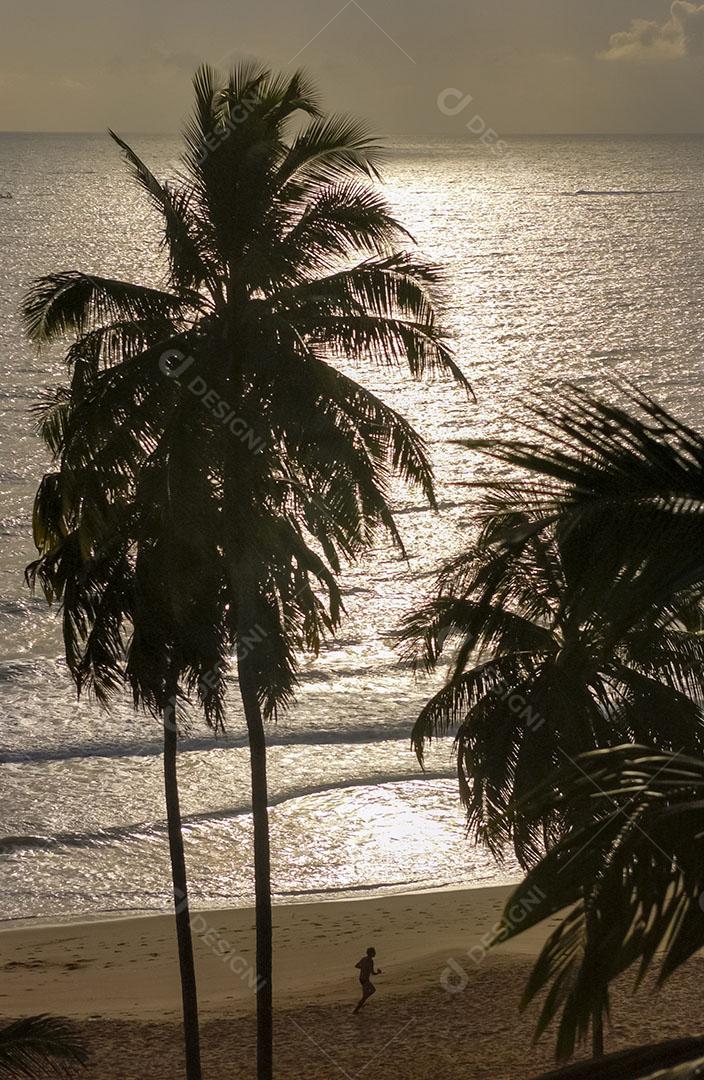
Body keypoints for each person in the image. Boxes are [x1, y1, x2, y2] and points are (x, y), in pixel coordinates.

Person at [353, 946, 381, 1014]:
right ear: (371, 953)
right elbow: (372, 973)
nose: (375, 954)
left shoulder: (364, 959)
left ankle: (357, 1009)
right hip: (364, 980)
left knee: (366, 994)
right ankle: (356, 1009)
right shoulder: (370, 961)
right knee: (372, 991)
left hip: (362, 979)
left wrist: (363, 967)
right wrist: (378, 972)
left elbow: (357, 966)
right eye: (374, 952)